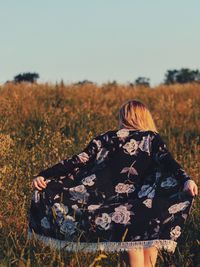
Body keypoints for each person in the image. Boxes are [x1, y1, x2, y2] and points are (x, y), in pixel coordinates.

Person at [28, 99, 198, 267]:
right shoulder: (151, 138)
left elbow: (78, 160)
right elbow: (168, 162)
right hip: (146, 205)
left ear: (124, 117)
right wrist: (186, 180)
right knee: (147, 244)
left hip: (115, 205)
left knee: (129, 245)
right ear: (145, 117)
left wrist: (45, 175)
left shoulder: (106, 139)